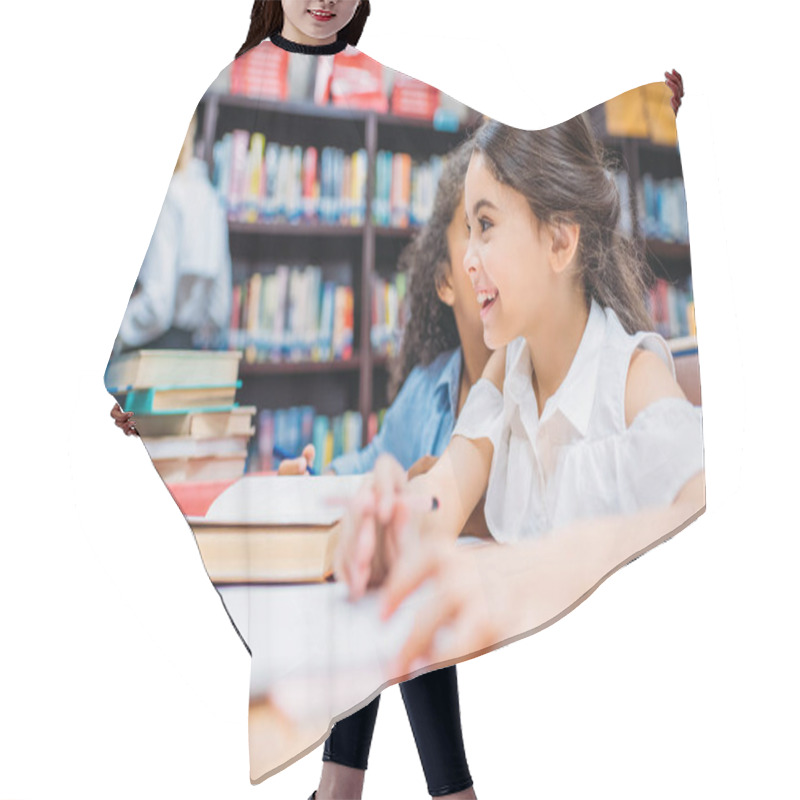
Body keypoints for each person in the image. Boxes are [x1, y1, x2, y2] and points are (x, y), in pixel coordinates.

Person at [336, 103, 704, 676]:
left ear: (560, 243)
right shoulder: (505, 370)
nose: (466, 257)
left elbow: (710, 508)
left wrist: (554, 565)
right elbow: (446, 488)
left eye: (484, 225)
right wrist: (397, 520)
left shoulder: (631, 378)